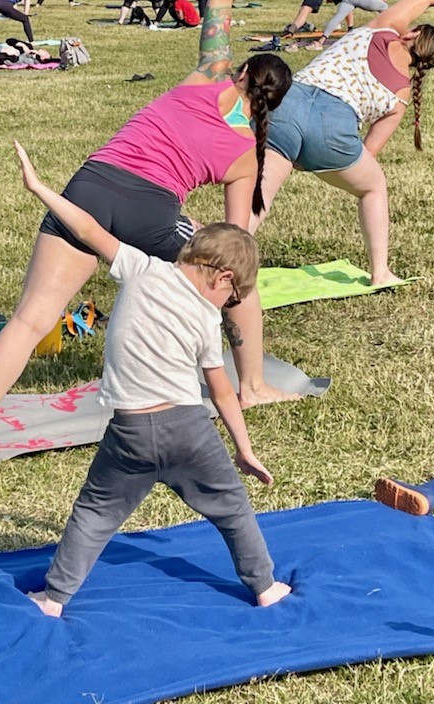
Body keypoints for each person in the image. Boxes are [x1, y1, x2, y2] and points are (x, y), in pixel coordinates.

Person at [0, 0, 310, 459]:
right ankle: (252, 386)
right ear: (275, 108)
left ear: (239, 73)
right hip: (151, 213)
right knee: (243, 283)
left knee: (29, 318)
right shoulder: (248, 155)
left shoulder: (211, 72)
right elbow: (234, 248)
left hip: (89, 185)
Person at [15, 142, 291, 616]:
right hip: (189, 430)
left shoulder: (140, 268)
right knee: (232, 510)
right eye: (235, 295)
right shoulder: (206, 318)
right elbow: (222, 390)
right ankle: (264, 586)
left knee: (95, 514)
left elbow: (85, 226)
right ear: (221, 277)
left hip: (129, 433)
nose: (230, 303)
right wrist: (244, 449)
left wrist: (40, 188)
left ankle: (54, 597)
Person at [249, 0, 434, 285]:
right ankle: (380, 272)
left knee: (260, 194)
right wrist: (317, 153)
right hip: (334, 130)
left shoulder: (380, 30)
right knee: (374, 187)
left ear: (411, 35)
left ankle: (220, 259)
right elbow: (368, 152)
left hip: (286, 105)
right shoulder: (401, 94)